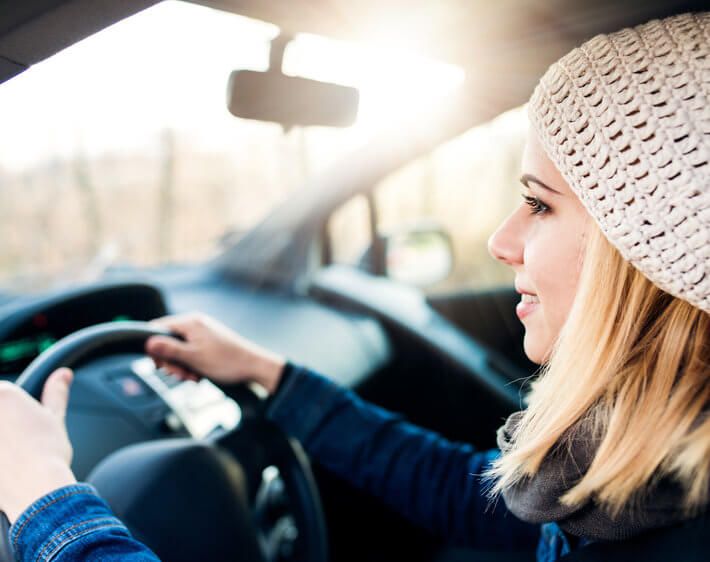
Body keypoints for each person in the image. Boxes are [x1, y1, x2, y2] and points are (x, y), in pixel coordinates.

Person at [0, 11, 707, 562]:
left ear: (650, 244)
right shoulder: (632, 464)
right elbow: (473, 495)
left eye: (541, 204)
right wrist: (270, 376)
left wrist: (44, 498)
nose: (501, 241)